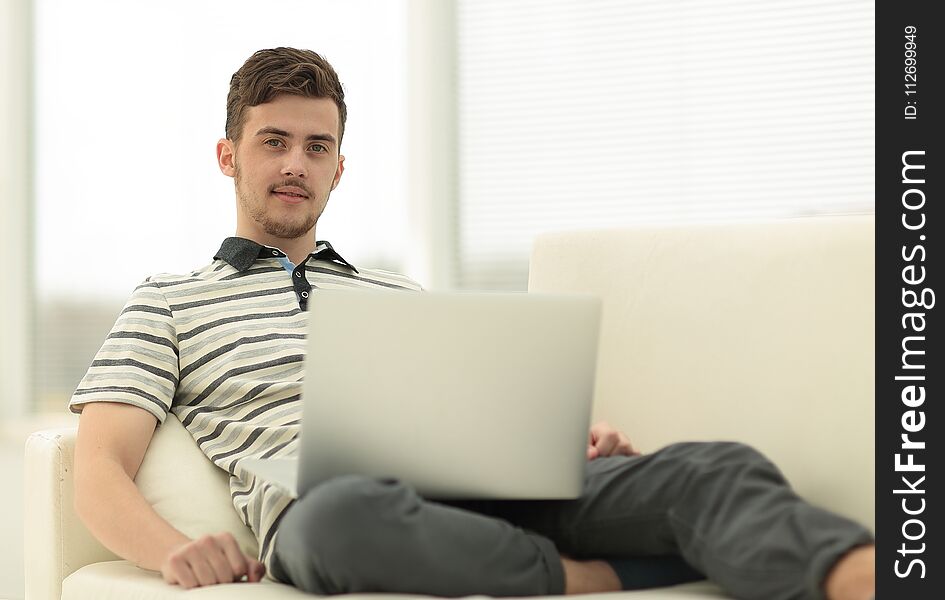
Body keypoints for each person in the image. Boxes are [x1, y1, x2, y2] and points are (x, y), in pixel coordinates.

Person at [70, 47, 875, 600]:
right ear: (228, 156)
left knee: (711, 468)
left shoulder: (397, 291)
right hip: (337, 512)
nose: (295, 165)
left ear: (339, 167)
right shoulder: (168, 300)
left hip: (484, 496)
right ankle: (587, 577)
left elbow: (475, 419)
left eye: (317, 148)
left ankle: (858, 577)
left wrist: (556, 440)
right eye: (273, 141)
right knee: (343, 519)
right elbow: (99, 465)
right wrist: (173, 551)